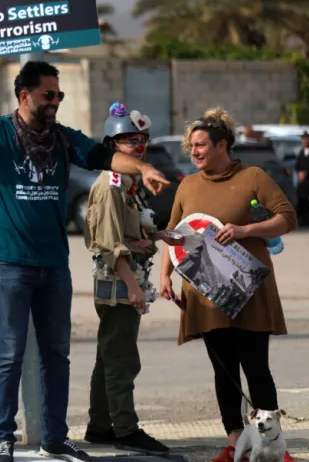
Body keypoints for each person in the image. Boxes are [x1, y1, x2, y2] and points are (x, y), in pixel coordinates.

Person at [0, 49, 170, 462]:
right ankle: (3, 436)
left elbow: (99, 155)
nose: (55, 102)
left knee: (57, 355)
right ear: (24, 96)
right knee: (9, 353)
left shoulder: (63, 138)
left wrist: (140, 168)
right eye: (48, 96)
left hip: (54, 267)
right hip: (8, 265)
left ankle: (55, 438)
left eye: (58, 96)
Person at [158, 107, 298, 462]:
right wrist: (164, 277)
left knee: (256, 367)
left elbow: (287, 218)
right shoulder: (188, 184)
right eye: (191, 147)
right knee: (224, 371)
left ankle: (273, 446)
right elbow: (174, 234)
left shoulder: (254, 177)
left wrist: (245, 230)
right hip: (205, 294)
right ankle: (235, 441)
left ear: (222, 145)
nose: (194, 152)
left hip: (248, 291)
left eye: (200, 145)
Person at [85, 102, 180, 455]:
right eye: (128, 140)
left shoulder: (128, 183)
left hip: (126, 277)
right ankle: (125, 429)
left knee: (108, 356)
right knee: (122, 358)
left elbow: (129, 230)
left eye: (141, 139)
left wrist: (158, 236)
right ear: (111, 144)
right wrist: (133, 285)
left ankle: (100, 426)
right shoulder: (111, 184)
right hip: (119, 281)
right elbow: (108, 244)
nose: (137, 146)